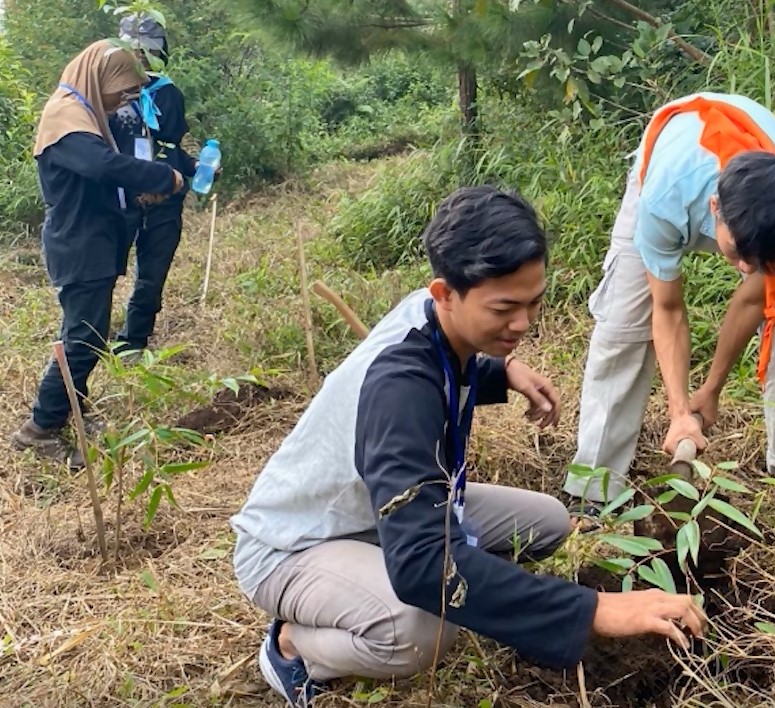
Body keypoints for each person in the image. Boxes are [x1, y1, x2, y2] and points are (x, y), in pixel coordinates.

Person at [229, 187, 706, 707]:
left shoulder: (430, 318)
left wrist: (502, 372)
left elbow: (448, 367)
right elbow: (421, 565)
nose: (523, 324)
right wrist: (595, 609)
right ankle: (293, 646)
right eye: (505, 308)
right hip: (295, 545)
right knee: (421, 629)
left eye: (532, 302)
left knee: (545, 521)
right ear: (445, 292)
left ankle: (367, 573)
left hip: (378, 512)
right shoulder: (398, 388)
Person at [562, 91, 775, 517]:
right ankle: (592, 488)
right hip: (670, 165)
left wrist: (709, 391)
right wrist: (678, 411)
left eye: (760, 259)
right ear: (715, 210)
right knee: (622, 324)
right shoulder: (665, 198)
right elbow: (667, 309)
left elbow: (751, 299)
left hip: (769, 205)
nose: (745, 266)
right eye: (739, 250)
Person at [11, 40, 184, 463]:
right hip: (79, 242)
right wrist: (165, 178)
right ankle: (40, 427)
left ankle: (71, 410)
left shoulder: (84, 115)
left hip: (93, 240)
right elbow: (105, 167)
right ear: (98, 80)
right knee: (83, 338)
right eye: (121, 90)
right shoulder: (66, 121)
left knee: (88, 334)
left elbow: (104, 178)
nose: (125, 100)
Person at [109, 14, 201, 355]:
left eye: (147, 52)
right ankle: (89, 334)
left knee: (151, 274)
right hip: (120, 200)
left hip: (166, 199)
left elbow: (172, 147)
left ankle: (133, 340)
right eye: (133, 51)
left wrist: (199, 167)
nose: (140, 58)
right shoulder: (110, 95)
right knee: (105, 270)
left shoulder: (168, 94)